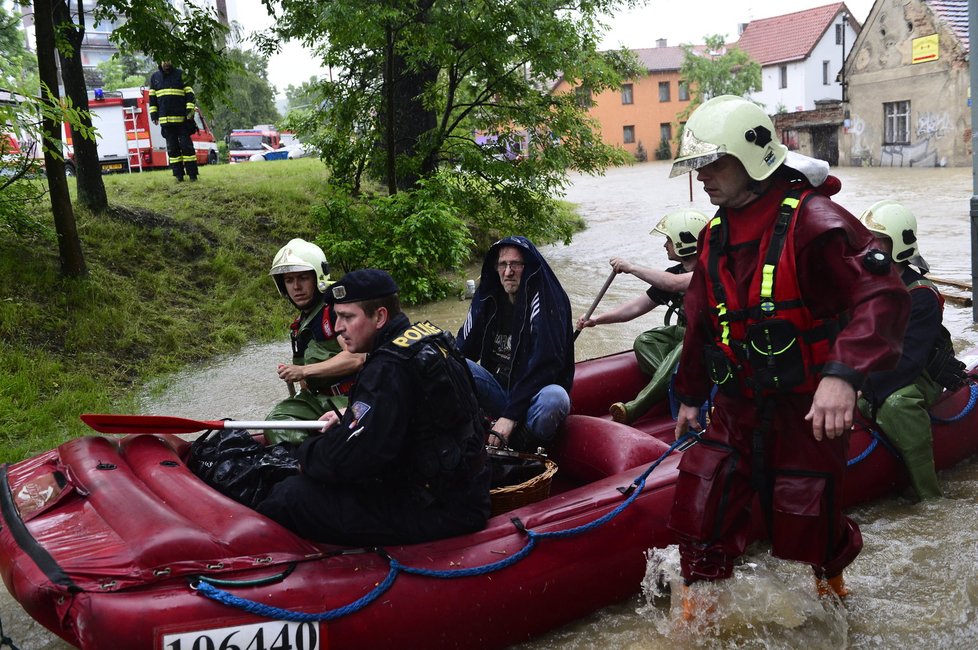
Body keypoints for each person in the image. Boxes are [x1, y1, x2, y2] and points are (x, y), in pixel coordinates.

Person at [666, 95, 910, 607]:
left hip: (807, 411)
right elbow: (701, 318)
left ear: (751, 158)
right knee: (701, 509)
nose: (702, 176)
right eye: (697, 164)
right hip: (736, 408)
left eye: (713, 163)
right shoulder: (715, 234)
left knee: (810, 520)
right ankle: (692, 626)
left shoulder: (815, 221)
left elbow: (882, 294)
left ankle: (836, 604)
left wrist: (842, 376)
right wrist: (689, 394)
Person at [256, 269, 491, 545]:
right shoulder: (431, 338)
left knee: (289, 496)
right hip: (461, 492)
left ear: (379, 316)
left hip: (437, 509)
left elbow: (354, 457)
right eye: (337, 316)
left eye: (347, 317)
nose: (339, 327)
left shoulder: (388, 366)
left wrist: (303, 456)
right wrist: (348, 417)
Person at [857, 200, 967, 501]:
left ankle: (929, 495)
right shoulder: (862, 285)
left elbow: (908, 362)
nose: (869, 246)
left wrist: (861, 388)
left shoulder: (921, 296)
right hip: (870, 374)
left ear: (896, 246)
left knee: (897, 405)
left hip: (918, 377)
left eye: (876, 239)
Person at [577, 209, 709, 424]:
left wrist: (631, 268)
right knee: (645, 341)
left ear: (684, 240)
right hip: (683, 333)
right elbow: (636, 308)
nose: (664, 244)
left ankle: (634, 408)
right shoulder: (674, 271)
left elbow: (673, 284)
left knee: (687, 344)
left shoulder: (709, 268)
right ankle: (681, 387)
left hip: (706, 339)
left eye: (668, 239)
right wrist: (597, 320)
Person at [457, 236, 575, 452]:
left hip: (532, 398)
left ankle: (523, 448)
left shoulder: (549, 301)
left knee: (555, 398)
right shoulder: (488, 298)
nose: (508, 272)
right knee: (452, 364)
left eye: (515, 265)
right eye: (503, 264)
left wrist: (510, 417)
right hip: (498, 391)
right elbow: (463, 348)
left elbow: (547, 366)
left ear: (527, 267)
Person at [265, 239, 365, 444]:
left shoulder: (334, 311)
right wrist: (297, 375)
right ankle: (301, 461)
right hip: (316, 399)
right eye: (289, 280)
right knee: (276, 424)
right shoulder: (299, 325)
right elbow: (304, 379)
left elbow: (356, 358)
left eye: (303, 278)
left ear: (317, 277)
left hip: (347, 398)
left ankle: (318, 457)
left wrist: (303, 371)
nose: (296, 287)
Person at [149, 61, 199, 182]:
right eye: (164, 60)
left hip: (182, 121)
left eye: (169, 60)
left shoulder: (181, 75)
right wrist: (154, 115)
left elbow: (190, 95)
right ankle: (178, 176)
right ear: (159, 61)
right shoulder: (155, 77)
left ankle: (192, 175)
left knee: (187, 147)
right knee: (172, 149)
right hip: (166, 122)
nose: (166, 63)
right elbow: (152, 98)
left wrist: (189, 112)